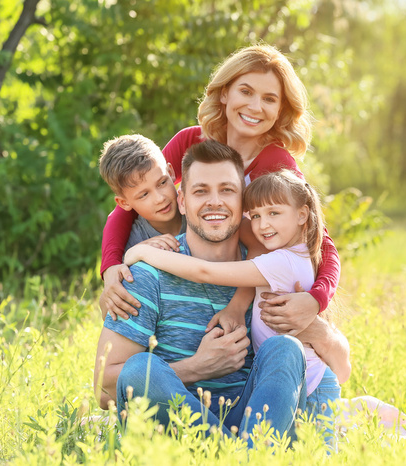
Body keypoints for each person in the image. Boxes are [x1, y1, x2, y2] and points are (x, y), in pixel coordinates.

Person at [93, 140, 350, 445]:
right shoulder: (148, 275)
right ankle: (236, 456)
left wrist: (315, 329)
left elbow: (339, 369)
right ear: (182, 200)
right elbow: (104, 390)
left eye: (227, 190)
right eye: (201, 191)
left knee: (286, 349)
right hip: (181, 430)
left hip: (260, 423)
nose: (215, 202)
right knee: (138, 370)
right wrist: (196, 368)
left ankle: (240, 455)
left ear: (244, 204)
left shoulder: (265, 267)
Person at [99, 44, 340, 338]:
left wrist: (316, 300)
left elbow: (319, 240)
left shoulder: (278, 166)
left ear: (280, 111)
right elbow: (132, 201)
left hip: (249, 276)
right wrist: (110, 267)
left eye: (269, 99)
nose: (255, 106)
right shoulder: (191, 141)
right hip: (189, 256)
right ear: (225, 93)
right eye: (246, 91)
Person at [98, 134, 184, 253]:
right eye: (144, 195)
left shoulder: (196, 209)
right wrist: (139, 252)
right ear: (124, 203)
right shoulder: (133, 243)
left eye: (162, 182)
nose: (159, 199)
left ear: (171, 172)